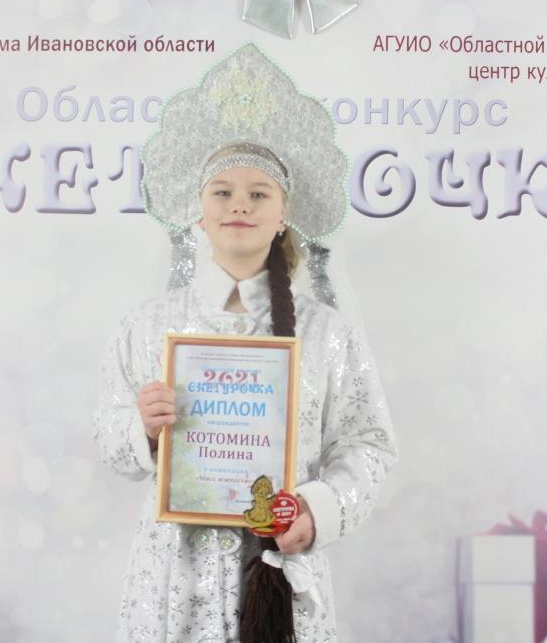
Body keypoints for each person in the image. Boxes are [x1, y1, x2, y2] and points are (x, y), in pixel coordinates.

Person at [92, 44, 398, 642]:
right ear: (199, 213)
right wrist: (142, 430)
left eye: (259, 193)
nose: (240, 204)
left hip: (281, 577)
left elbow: (368, 445)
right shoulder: (147, 327)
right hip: (173, 579)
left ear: (283, 214)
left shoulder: (325, 333)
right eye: (222, 192)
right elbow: (108, 436)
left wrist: (315, 511)